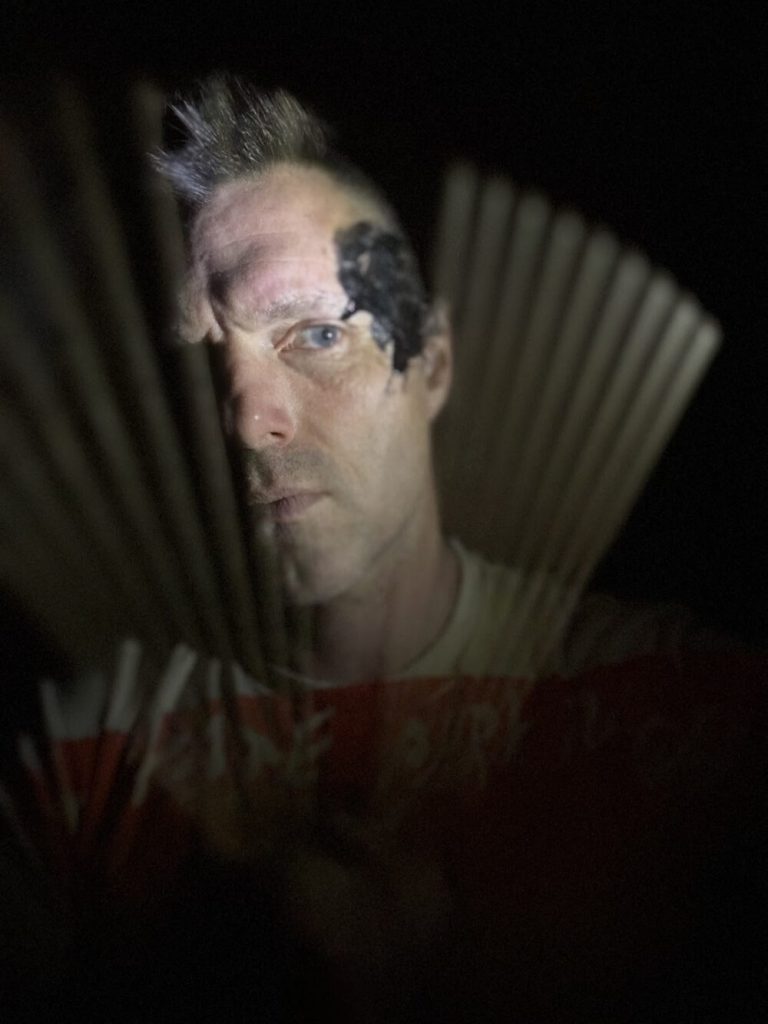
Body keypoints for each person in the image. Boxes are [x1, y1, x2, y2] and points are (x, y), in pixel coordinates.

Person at [156, 74, 724, 688]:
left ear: (432, 362)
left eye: (318, 335)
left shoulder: (662, 692)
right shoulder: (113, 724)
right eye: (202, 362)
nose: (246, 421)